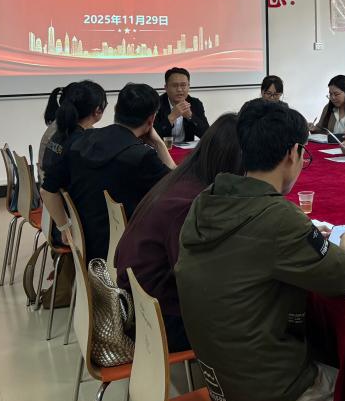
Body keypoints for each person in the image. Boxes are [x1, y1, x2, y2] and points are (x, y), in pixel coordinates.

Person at [175, 99, 345, 401]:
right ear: (293, 153)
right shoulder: (277, 217)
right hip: (266, 392)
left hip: (221, 378)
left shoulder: (207, 200)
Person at [116, 112, 241, 352]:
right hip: (158, 322)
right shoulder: (190, 204)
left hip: (142, 305)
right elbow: (199, 282)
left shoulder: (181, 180)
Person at [43, 83, 174, 260]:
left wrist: (65, 228)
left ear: (116, 110)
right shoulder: (141, 157)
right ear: (151, 120)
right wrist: (159, 143)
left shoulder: (81, 140)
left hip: (84, 243)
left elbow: (47, 190)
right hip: (121, 252)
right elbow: (177, 187)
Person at [39, 80, 107, 247]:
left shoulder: (60, 134)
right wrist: (65, 228)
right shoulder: (78, 144)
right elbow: (47, 191)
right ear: (98, 110)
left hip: (53, 217)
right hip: (69, 226)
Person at [154, 67, 210, 144]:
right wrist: (171, 117)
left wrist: (190, 117)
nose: (179, 89)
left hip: (186, 149)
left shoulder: (195, 103)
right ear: (166, 87)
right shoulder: (156, 104)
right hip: (163, 149)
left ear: (188, 86)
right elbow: (152, 136)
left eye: (183, 85)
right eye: (175, 85)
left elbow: (207, 135)